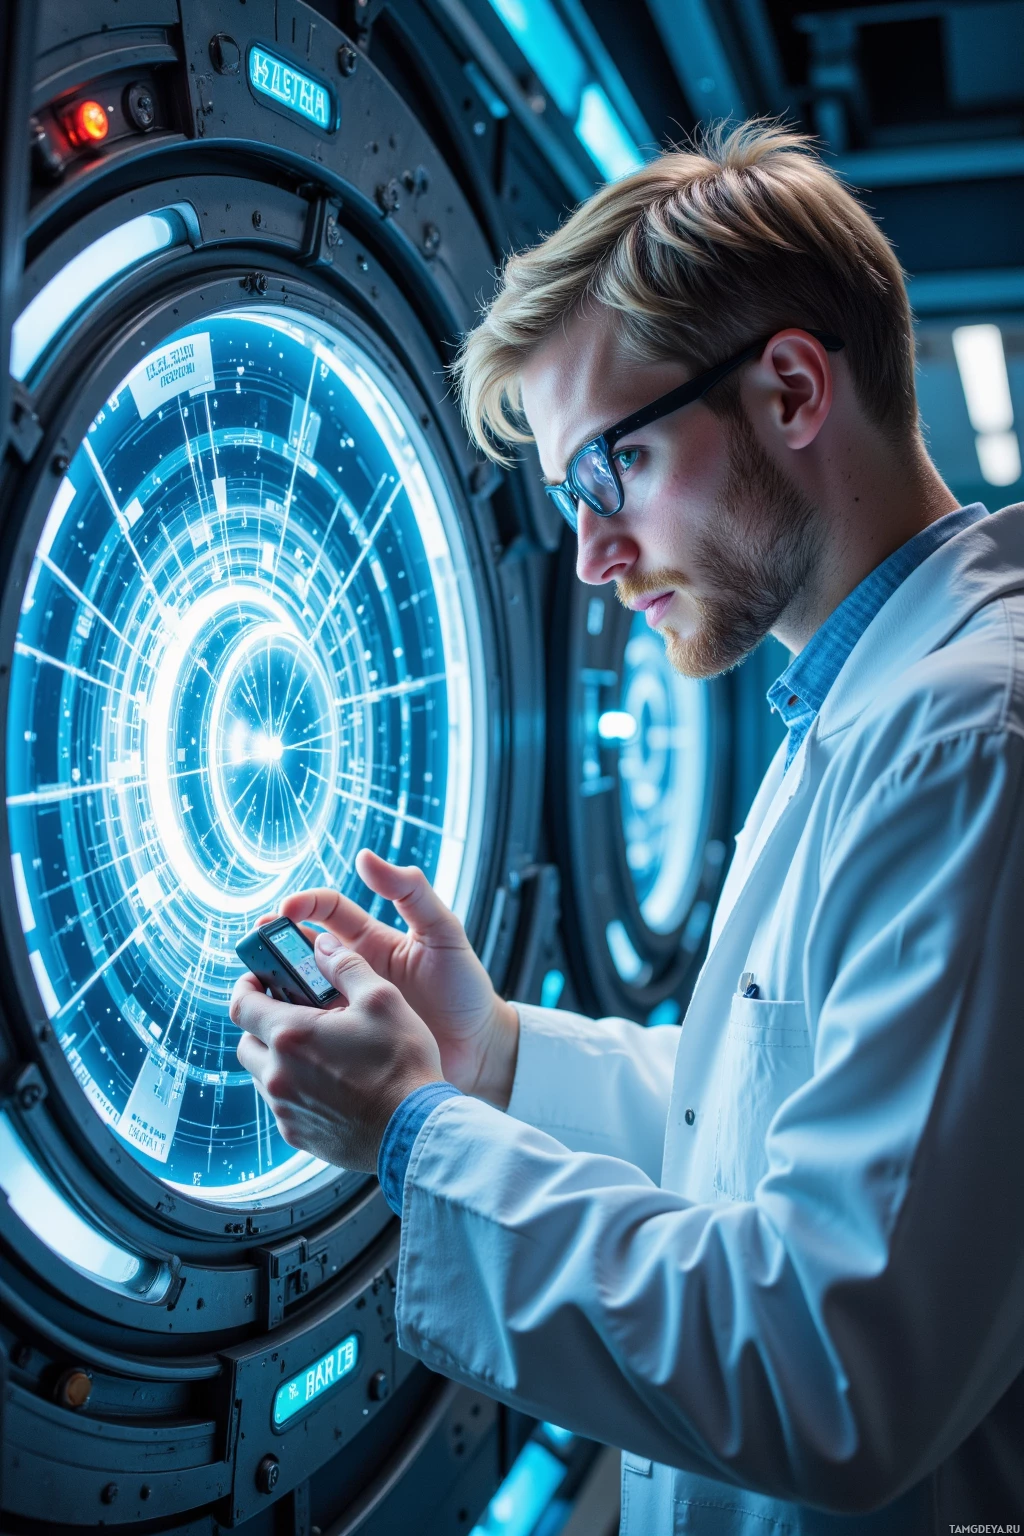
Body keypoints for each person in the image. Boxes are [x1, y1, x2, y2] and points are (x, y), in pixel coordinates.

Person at [231, 123, 1024, 1533]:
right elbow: (786, 1126)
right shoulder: (872, 703)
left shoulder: (968, 749)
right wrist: (499, 1054)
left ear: (789, 388)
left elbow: (830, 1376)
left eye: (611, 470)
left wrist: (415, 1137)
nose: (592, 556)